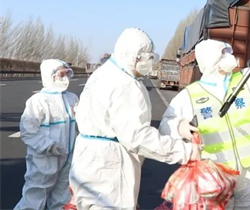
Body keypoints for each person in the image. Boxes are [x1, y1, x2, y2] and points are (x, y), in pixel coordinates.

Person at [159, 21, 250, 210]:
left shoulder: (244, 81)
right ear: (211, 60)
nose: (230, 57)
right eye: (224, 54)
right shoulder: (191, 94)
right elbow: (166, 124)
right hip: (216, 173)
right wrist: (180, 126)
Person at [69, 27, 202, 210]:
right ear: (134, 57)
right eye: (147, 58)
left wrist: (177, 127)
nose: (149, 63)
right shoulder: (125, 84)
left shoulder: (103, 74)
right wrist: (184, 151)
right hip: (110, 168)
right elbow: (137, 136)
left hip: (88, 163)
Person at [15, 59, 78, 210]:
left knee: (62, 196)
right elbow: (28, 131)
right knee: (35, 195)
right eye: (61, 74)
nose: (65, 78)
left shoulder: (72, 98)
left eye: (67, 73)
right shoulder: (38, 101)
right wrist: (48, 146)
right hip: (45, 159)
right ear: (51, 76)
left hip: (68, 157)